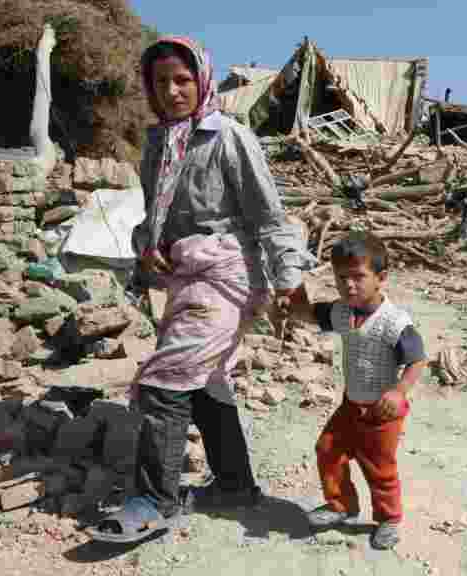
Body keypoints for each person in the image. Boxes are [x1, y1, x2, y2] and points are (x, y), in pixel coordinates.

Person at [87, 36, 310, 543]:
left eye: (183, 80)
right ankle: (234, 485)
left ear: (202, 80)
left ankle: (154, 502)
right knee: (206, 381)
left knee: (164, 381)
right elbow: (154, 217)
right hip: (185, 277)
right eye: (161, 82)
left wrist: (289, 282)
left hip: (228, 276)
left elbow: (269, 216)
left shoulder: (229, 137)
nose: (172, 91)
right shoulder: (159, 143)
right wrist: (147, 247)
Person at [289, 231, 427, 550]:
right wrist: (291, 288)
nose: (349, 285)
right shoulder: (342, 311)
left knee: (379, 468)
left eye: (358, 277)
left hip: (382, 412)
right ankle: (341, 505)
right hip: (351, 405)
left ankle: (388, 519)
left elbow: (418, 360)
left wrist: (399, 392)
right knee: (328, 450)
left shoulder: (394, 322)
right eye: (341, 278)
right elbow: (306, 313)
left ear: (381, 278)